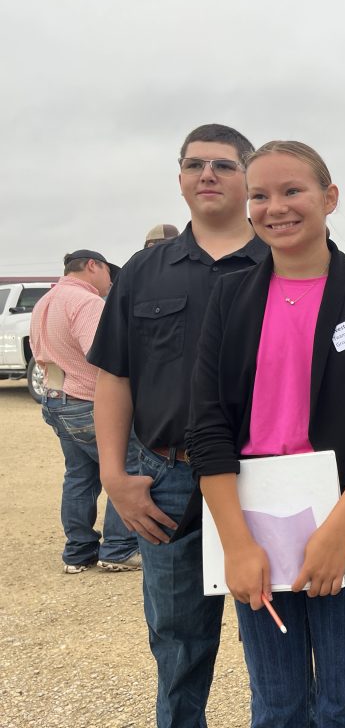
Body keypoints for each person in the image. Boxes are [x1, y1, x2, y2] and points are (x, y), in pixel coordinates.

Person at [189, 140, 345, 725]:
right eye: (260, 195)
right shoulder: (230, 298)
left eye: (293, 191)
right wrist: (237, 544)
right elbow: (208, 425)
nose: (276, 208)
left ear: (329, 197)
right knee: (277, 702)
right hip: (252, 519)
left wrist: (339, 529)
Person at [89, 124, 268, 727]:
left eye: (223, 165)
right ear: (181, 179)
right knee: (178, 645)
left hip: (263, 479)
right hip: (167, 482)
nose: (207, 175)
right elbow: (114, 377)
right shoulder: (144, 272)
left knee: (277, 640)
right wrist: (113, 476)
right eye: (195, 165)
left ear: (248, 177)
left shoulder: (283, 260)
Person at [29, 249, 141, 574]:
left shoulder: (45, 301)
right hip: (89, 400)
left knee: (79, 474)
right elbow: (103, 354)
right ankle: (119, 549)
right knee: (126, 466)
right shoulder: (87, 302)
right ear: (93, 266)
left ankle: (79, 552)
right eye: (108, 273)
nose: (110, 282)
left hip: (57, 398)